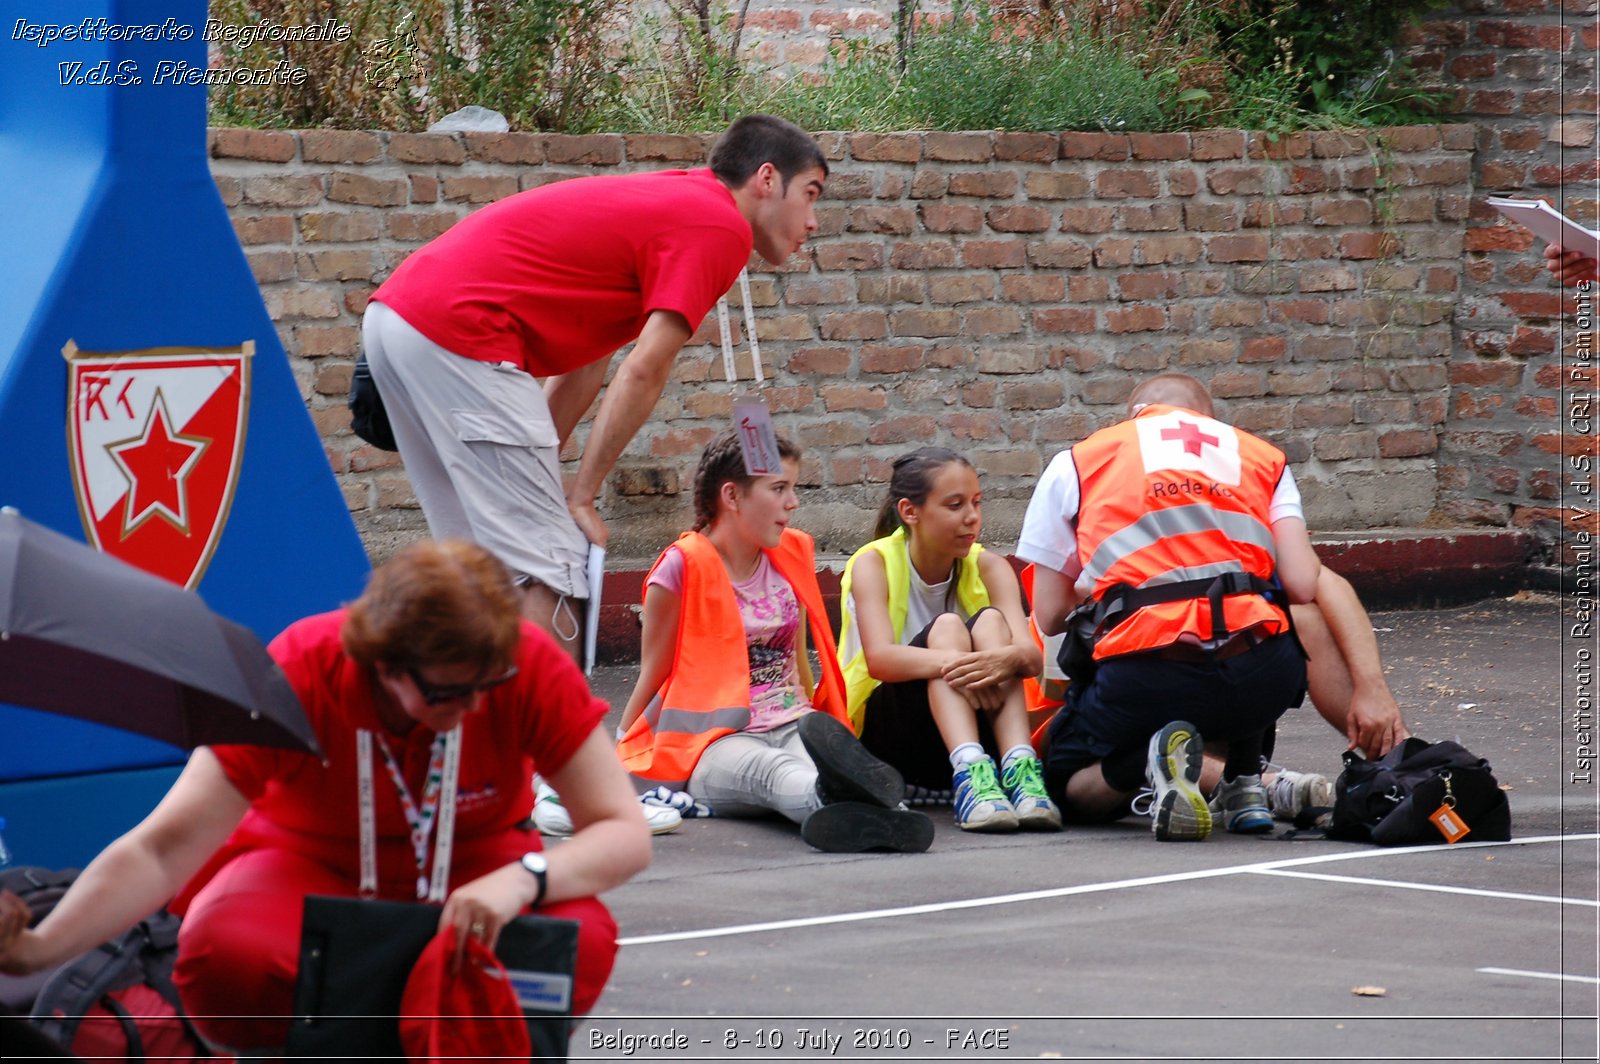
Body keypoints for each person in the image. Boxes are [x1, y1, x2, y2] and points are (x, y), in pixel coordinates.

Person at [0, 541, 650, 1052]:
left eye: (490, 684)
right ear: (386, 663)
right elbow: (164, 848)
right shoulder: (306, 664)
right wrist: (41, 947)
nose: (475, 706)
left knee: (580, 937)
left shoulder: (523, 662)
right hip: (316, 861)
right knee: (228, 943)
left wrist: (525, 880)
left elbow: (623, 830)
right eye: (449, 693)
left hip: (477, 862)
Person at [362, 113, 828, 658]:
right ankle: (548, 740)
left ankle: (455, 729)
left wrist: (545, 473)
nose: (814, 220)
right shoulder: (719, 224)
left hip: (402, 320)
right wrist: (580, 496)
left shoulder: (673, 204)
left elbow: (586, 364)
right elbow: (645, 369)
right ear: (767, 179)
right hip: (463, 331)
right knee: (551, 562)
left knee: (475, 566)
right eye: (811, 194)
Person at [1020, 373, 1321, 841]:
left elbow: (1049, 614)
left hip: (1147, 675)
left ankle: (1146, 755)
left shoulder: (1078, 461)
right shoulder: (1262, 457)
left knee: (1061, 777)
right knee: (1252, 624)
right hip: (1264, 678)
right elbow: (1302, 584)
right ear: (1208, 418)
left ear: (1135, 413)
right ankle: (1244, 781)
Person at [615, 430, 934, 854]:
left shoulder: (793, 552)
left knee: (816, 762)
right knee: (775, 773)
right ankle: (865, 810)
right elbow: (654, 671)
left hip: (794, 721)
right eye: (779, 488)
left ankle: (870, 812)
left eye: (793, 488)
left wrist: (815, 718)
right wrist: (624, 749)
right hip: (715, 741)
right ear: (732, 496)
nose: (793, 502)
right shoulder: (681, 566)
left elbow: (798, 660)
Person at [838, 448, 1062, 834]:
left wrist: (1000, 661)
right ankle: (970, 772)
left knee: (992, 623)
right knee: (947, 629)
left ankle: (1021, 772)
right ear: (910, 511)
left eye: (976, 503)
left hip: (977, 720)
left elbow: (1029, 656)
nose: (971, 517)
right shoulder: (872, 563)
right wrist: (966, 664)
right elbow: (880, 659)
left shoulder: (990, 566)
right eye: (955, 505)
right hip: (892, 740)